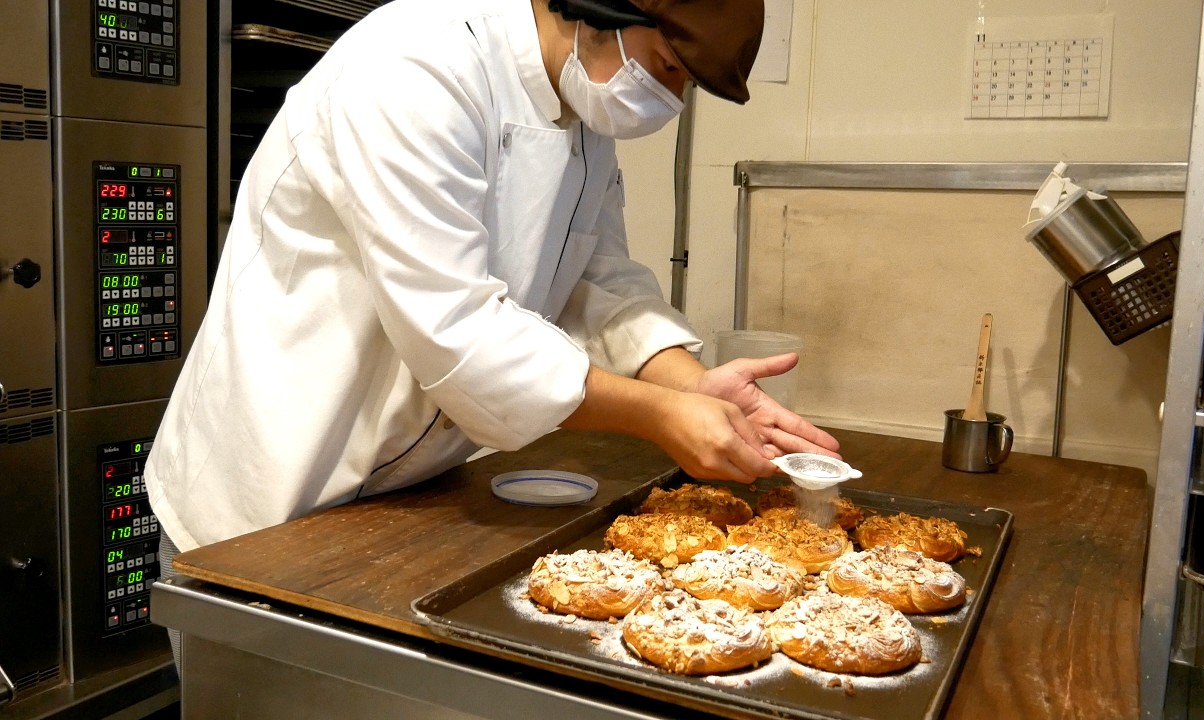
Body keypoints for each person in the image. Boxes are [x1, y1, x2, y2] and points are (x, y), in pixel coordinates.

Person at [147, 0, 839, 560]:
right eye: (667, 66)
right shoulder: (416, 66)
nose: (669, 97)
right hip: (270, 497)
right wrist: (661, 416)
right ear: (595, 8)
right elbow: (457, 333)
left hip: (406, 495)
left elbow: (600, 280)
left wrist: (691, 385)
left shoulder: (581, 106)